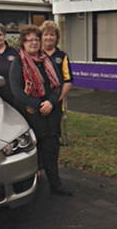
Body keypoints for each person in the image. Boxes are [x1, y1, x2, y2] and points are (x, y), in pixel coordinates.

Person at [9, 24, 74, 196]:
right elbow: (16, 91)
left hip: (50, 111)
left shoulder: (48, 60)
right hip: (30, 113)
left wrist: (51, 103)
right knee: (31, 151)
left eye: (36, 40)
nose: (33, 43)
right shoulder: (18, 62)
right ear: (23, 43)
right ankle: (29, 185)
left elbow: (58, 85)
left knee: (51, 149)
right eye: (29, 40)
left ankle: (56, 185)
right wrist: (39, 104)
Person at [40, 20, 73, 144]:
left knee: (52, 138)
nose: (49, 37)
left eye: (52, 34)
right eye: (46, 34)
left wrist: (53, 101)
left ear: (57, 37)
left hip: (55, 104)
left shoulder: (62, 56)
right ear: (41, 36)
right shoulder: (33, 55)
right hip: (37, 103)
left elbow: (68, 81)